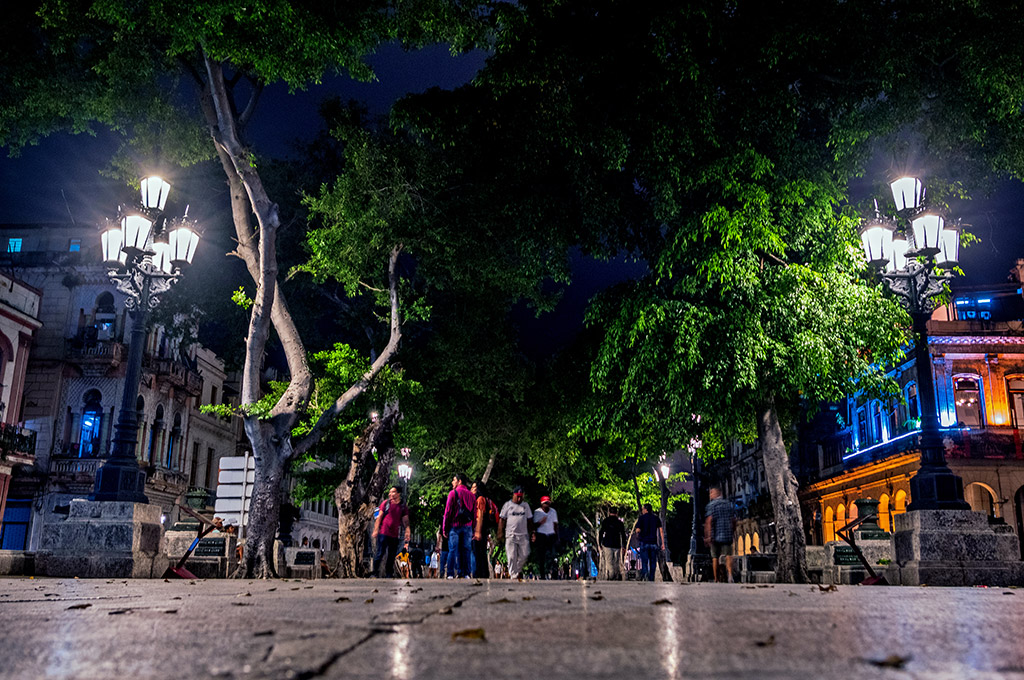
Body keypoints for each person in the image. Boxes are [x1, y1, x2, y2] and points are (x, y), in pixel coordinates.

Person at [372, 486, 411, 578]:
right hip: (384, 533)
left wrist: (407, 530)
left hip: (394, 534)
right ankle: (375, 572)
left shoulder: (402, 506)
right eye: (389, 492)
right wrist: (376, 529)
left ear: (398, 494)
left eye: (392, 492)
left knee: (391, 555)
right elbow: (379, 517)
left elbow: (405, 520)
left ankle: (389, 573)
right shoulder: (386, 503)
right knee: (380, 553)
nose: (390, 494)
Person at [443, 472, 476, 578]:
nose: (452, 482)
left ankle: (450, 574)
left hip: (455, 526)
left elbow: (447, 512)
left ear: (459, 481)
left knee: (453, 549)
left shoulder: (453, 493)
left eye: (454, 480)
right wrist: (474, 529)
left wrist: (445, 528)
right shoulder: (471, 496)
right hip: (468, 526)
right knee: (466, 549)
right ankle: (466, 573)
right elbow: (474, 514)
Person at [498, 486, 534, 579]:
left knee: (525, 554)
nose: (519, 498)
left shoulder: (525, 506)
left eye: (521, 496)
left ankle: (516, 570)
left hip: (523, 535)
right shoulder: (507, 505)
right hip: (511, 535)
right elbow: (502, 519)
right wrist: (500, 532)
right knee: (511, 556)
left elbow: (530, 520)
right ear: (513, 495)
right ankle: (513, 575)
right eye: (517, 496)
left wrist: (533, 532)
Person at [704, 485, 737, 583]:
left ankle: (716, 579)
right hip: (727, 533)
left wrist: (708, 536)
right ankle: (730, 575)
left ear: (716, 493)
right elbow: (733, 519)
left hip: (715, 535)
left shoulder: (711, 505)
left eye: (711, 492)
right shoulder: (728, 504)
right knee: (728, 555)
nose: (710, 495)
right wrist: (733, 530)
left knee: (715, 557)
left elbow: (709, 521)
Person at [471, 481, 499, 579]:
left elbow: (480, 516)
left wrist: (477, 531)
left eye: (474, 487)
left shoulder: (480, 499)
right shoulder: (485, 499)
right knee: (481, 553)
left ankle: (480, 575)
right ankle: (483, 574)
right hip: (483, 530)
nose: (472, 489)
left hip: (480, 530)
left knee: (479, 554)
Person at [531, 495, 559, 579]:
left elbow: (555, 524)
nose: (547, 505)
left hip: (551, 535)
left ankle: (554, 573)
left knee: (553, 555)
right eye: (545, 503)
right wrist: (540, 522)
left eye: (548, 503)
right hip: (541, 535)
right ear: (542, 504)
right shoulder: (537, 512)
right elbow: (534, 525)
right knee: (541, 556)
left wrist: (557, 536)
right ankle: (542, 574)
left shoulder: (553, 511)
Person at [634, 503, 663, 581]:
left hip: (644, 542)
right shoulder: (656, 518)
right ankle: (651, 578)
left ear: (646, 509)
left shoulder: (641, 518)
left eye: (643, 509)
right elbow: (661, 531)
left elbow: (637, 530)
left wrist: (638, 533)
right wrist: (662, 543)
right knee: (653, 562)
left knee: (644, 562)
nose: (642, 510)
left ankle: (646, 576)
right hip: (653, 543)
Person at [598, 507, 628, 581]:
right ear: (616, 513)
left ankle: (611, 575)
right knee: (616, 561)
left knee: (609, 561)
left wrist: (599, 543)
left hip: (607, 544)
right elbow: (623, 535)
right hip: (617, 544)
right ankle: (615, 575)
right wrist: (624, 545)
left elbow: (601, 532)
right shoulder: (619, 523)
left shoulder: (605, 521)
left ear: (609, 512)